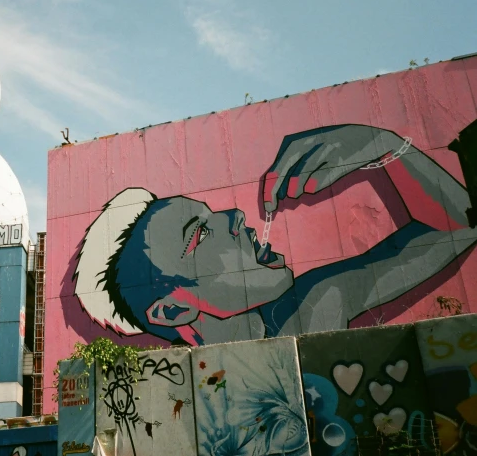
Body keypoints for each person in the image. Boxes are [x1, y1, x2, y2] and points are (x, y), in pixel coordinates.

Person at [74, 124, 477, 345]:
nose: (233, 214)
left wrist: (383, 146)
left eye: (213, 212)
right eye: (199, 234)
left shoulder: (308, 312)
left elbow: (456, 228)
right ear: (175, 310)